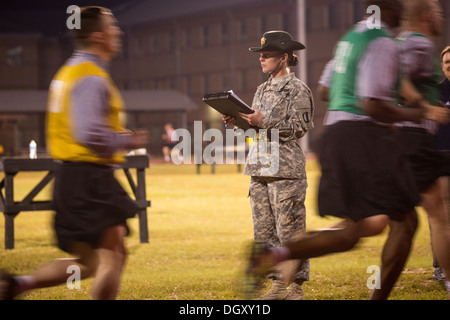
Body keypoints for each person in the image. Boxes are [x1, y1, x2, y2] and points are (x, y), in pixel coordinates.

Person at [245, 0, 447, 300]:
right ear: (390, 9)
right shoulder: (383, 41)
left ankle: (274, 254)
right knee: (405, 222)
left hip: (335, 135)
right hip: (363, 137)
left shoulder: (350, 39)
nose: (404, 15)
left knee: (359, 228)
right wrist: (420, 113)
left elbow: (326, 90)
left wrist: (398, 97)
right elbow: (373, 105)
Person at [0, 6, 148, 300]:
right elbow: (88, 133)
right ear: (98, 36)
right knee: (113, 257)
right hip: (89, 178)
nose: (118, 31)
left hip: (71, 177)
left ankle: (17, 285)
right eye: (112, 26)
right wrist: (126, 141)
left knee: (90, 263)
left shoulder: (68, 72)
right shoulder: (90, 76)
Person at [223, 30, 314, 300]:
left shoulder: (298, 89)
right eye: (260, 56)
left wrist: (261, 121)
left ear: (284, 57)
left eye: (267, 55)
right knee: (264, 233)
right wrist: (238, 123)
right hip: (259, 168)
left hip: (285, 171)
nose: (261, 59)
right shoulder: (262, 89)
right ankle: (277, 286)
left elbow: (299, 129)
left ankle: (296, 286)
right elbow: (256, 131)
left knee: (291, 232)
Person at [392, 0, 450, 298]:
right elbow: (398, 79)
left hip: (400, 139)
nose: (441, 17)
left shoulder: (401, 41)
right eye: (439, 13)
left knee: (389, 220)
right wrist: (426, 107)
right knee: (438, 215)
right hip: (414, 138)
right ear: (427, 16)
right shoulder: (419, 43)